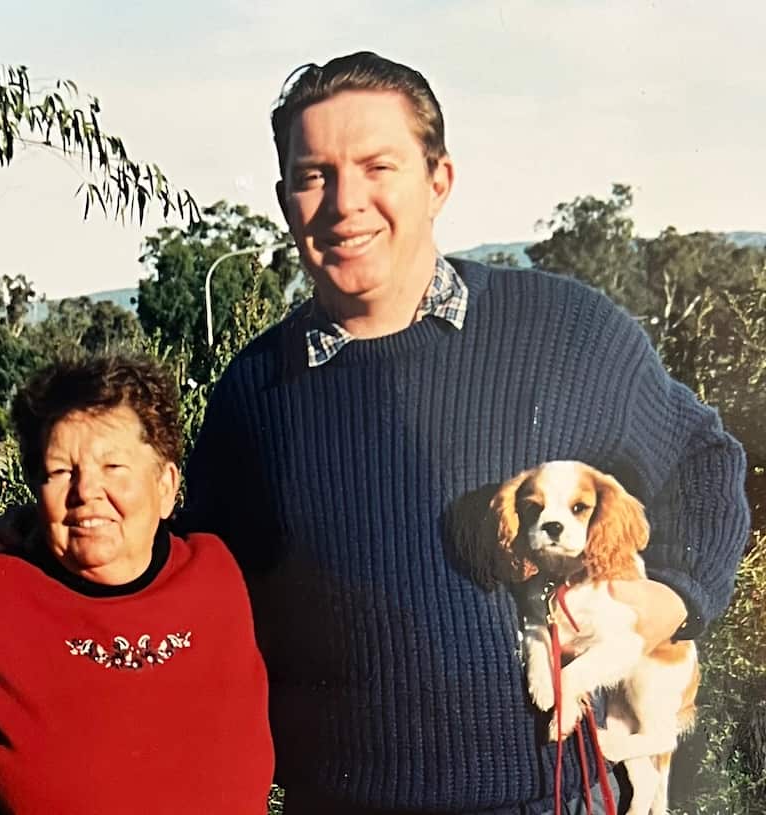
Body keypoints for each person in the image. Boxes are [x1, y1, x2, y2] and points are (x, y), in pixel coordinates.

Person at [181, 52, 749, 814]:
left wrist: (672, 598)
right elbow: (193, 583)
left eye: (378, 166)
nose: (345, 203)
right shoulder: (254, 393)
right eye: (314, 175)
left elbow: (703, 461)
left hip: (557, 796)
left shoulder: (564, 329)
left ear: (438, 180)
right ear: (286, 199)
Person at [0, 355, 274, 814]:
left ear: (166, 485)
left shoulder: (220, 573)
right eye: (60, 471)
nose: (86, 490)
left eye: (113, 466)